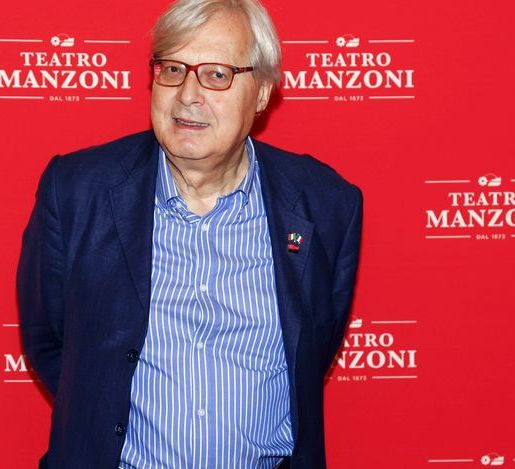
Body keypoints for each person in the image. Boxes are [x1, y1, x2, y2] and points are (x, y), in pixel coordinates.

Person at [17, 0, 363, 468]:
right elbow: (49, 338)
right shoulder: (76, 190)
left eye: (217, 74)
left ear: (262, 93)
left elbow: (314, 346)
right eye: (173, 69)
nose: (188, 95)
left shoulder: (326, 204)